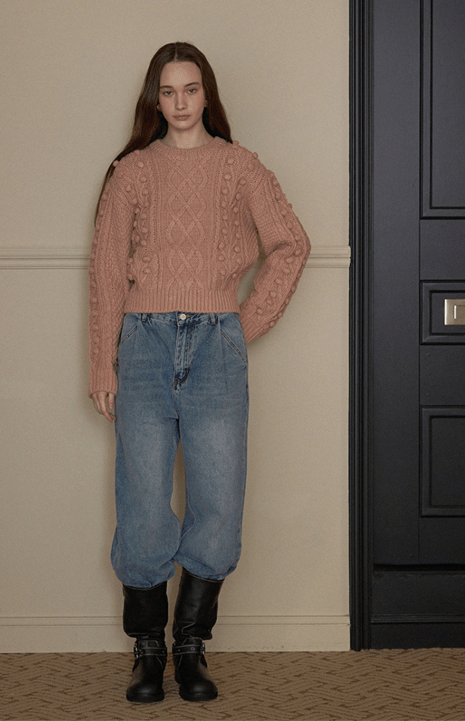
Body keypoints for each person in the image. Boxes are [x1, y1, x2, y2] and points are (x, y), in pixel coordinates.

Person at [88, 42, 310, 704]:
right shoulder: (131, 172)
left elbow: (291, 244)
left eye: (190, 89)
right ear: (155, 100)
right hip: (144, 345)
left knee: (218, 499)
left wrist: (240, 326)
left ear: (207, 93)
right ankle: (148, 649)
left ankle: (190, 645)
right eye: (168, 91)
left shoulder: (240, 167)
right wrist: (102, 362)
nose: (180, 102)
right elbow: (105, 270)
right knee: (142, 499)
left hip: (216, 344)